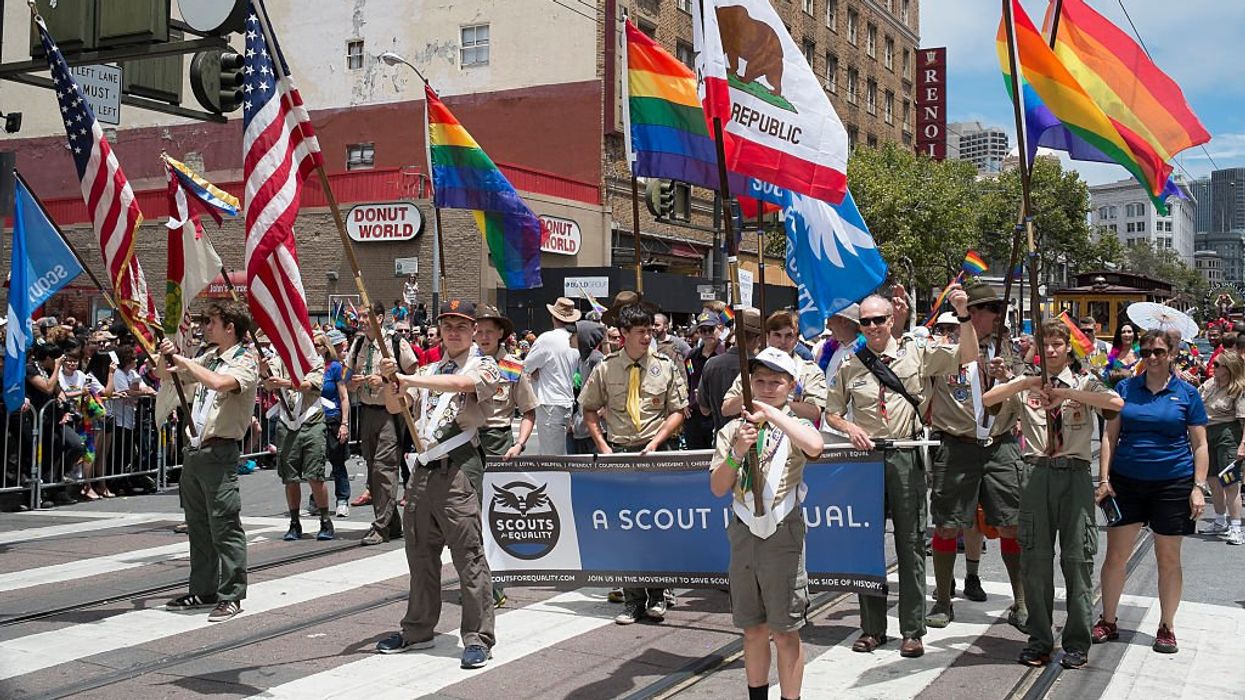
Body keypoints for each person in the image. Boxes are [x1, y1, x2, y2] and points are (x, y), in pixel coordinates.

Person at [825, 287, 977, 659]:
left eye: (880, 320)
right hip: (866, 459)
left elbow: (968, 356)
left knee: (910, 544)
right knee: (866, 546)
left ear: (892, 320)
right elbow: (829, 411)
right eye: (866, 322)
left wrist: (963, 315)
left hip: (905, 454)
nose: (873, 327)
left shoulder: (917, 352)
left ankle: (912, 629)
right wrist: (848, 429)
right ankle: (872, 628)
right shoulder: (850, 363)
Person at [984, 320, 1123, 669]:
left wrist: (1067, 394)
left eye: (1057, 345)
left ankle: (1077, 640)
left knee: (1078, 561)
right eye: (1044, 345)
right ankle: (1040, 638)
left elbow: (1115, 403)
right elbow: (987, 401)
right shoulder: (1025, 387)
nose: (1050, 351)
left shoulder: (1084, 382)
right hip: (1035, 474)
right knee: (1036, 562)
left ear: (1067, 348)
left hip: (1074, 476)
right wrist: (1029, 381)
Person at [374, 300, 498, 670]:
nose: (454, 332)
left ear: (474, 330)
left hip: (459, 467)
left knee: (468, 556)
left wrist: (409, 378)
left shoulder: (484, 364)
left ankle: (477, 637)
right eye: (447, 326)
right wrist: (389, 380)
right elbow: (397, 407)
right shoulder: (429, 369)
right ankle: (417, 629)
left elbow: (463, 384)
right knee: (420, 554)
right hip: (425, 469)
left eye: (461, 325)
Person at [709, 347, 824, 700]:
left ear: (791, 386)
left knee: (785, 630)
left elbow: (815, 445)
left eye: (776, 382)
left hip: (782, 531)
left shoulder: (794, 424)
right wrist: (737, 453)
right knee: (752, 629)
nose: (767, 387)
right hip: (744, 532)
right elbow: (718, 487)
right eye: (759, 381)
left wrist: (773, 414)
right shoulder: (733, 430)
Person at [1095, 329, 1209, 654]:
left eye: (1159, 351)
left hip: (1173, 483)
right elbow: (1109, 437)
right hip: (1126, 481)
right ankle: (1108, 619)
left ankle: (1167, 626)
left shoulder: (1187, 393)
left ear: (1173, 353)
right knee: (1115, 555)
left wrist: (1198, 487)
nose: (1152, 358)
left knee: (1168, 558)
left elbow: (1200, 444)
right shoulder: (1125, 388)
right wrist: (1104, 479)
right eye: (1146, 352)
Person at [925, 281, 1028, 630]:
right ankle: (942, 598)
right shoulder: (945, 348)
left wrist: (1007, 378)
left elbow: (1022, 399)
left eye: (1000, 311)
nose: (999, 317)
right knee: (947, 522)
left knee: (1011, 522)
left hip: (1000, 445)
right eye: (992, 310)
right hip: (959, 445)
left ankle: (1022, 601)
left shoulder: (1007, 351)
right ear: (972, 313)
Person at [580, 300, 688, 624]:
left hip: (655, 453)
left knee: (656, 527)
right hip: (621, 452)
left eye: (650, 331)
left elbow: (679, 411)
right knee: (624, 528)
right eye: (641, 332)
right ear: (623, 333)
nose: (647, 338)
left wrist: (656, 442)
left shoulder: (665, 366)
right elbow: (588, 408)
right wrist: (602, 445)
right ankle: (632, 599)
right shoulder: (606, 367)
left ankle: (658, 595)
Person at [157, 301, 259, 623]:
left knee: (225, 527)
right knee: (198, 527)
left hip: (220, 452)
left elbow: (218, 383)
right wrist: (167, 355)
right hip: (195, 451)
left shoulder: (245, 360)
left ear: (230, 327)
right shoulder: (209, 357)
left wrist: (185, 359)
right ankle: (203, 589)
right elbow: (165, 375)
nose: (205, 327)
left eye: (211, 322)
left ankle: (231, 595)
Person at [346, 303, 420, 546]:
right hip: (367, 411)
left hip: (390, 412)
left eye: (367, 316)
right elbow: (347, 377)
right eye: (361, 316)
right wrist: (353, 383)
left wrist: (388, 379)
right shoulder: (358, 344)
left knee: (384, 468)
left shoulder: (395, 342)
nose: (363, 320)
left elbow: (413, 374)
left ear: (380, 317)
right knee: (372, 469)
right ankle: (393, 522)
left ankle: (380, 526)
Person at [263, 347, 334, 542]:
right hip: (287, 421)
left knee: (315, 475)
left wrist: (284, 383)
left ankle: (325, 520)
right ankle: (294, 522)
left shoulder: (313, 360)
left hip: (311, 420)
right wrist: (263, 371)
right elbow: (269, 385)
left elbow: (312, 385)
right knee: (290, 476)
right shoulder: (278, 360)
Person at [722, 311, 827, 425]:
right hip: (754, 435)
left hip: (792, 435)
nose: (782, 341)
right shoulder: (753, 367)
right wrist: (753, 393)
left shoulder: (809, 371)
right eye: (777, 335)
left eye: (789, 336)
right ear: (767, 336)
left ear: (797, 339)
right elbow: (726, 409)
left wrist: (776, 403)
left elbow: (815, 412)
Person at [1197, 349, 1245, 544]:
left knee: (1230, 482)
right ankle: (1219, 521)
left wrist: (1243, 445)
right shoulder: (1210, 385)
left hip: (1228, 435)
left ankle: (1236, 528)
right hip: (1207, 434)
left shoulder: (1238, 389)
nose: (1212, 367)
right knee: (1213, 480)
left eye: (1217, 365)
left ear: (1228, 368)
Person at [524, 297, 581, 455]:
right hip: (566, 401)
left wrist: (537, 371)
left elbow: (526, 367)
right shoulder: (575, 340)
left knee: (551, 457)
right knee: (559, 452)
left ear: (553, 317)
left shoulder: (547, 339)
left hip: (550, 402)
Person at [699, 308, 763, 434]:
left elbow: (704, 409)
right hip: (754, 441)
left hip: (722, 441)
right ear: (759, 338)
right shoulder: (762, 368)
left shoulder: (711, 364)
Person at [317, 331, 352, 518]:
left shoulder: (335, 367)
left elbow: (344, 396)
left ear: (325, 348)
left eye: (318, 345)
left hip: (333, 418)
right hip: (314, 419)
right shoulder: (310, 367)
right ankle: (317, 500)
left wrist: (344, 423)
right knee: (316, 463)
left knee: (337, 462)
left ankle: (342, 500)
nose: (315, 349)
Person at [685, 311, 723, 450]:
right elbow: (689, 379)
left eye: (711, 329)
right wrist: (685, 401)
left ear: (719, 329)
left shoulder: (725, 354)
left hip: (717, 413)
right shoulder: (692, 356)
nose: (707, 334)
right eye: (703, 330)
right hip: (695, 414)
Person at [1103, 321, 1142, 389]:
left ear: (1134, 334)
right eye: (1123, 332)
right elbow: (1106, 375)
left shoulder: (1141, 353)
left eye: (1129, 331)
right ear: (1119, 335)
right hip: (1117, 392)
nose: (1126, 334)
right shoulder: (1111, 354)